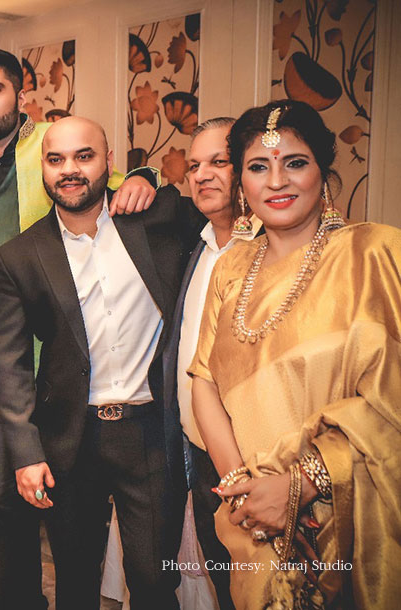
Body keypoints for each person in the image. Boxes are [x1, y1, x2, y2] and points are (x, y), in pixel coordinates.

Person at [0, 46, 160, 608]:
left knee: (16, 493)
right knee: (2, 499)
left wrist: (147, 175)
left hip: (46, 352)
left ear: (20, 94)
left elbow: (112, 178)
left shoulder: (49, 146)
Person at [190, 100, 401, 609]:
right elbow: (204, 382)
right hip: (251, 521)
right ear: (241, 182)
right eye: (258, 167)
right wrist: (243, 491)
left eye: (295, 162)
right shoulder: (230, 269)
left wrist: (303, 482)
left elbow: (392, 404)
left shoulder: (375, 253)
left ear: (323, 172)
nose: (277, 181)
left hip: (348, 513)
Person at [0, 116, 197, 609]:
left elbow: (217, 203)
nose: (70, 169)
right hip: (70, 438)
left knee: (154, 579)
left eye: (83, 156)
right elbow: (10, 364)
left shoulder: (155, 218)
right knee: (75, 579)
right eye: (56, 159)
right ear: (42, 168)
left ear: (108, 161)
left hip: (148, 432)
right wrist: (26, 453)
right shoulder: (21, 256)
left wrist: (147, 177)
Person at [167, 116, 261, 610]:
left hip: (255, 459)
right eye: (194, 165)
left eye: (218, 162)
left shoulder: (270, 251)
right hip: (198, 451)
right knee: (226, 582)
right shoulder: (198, 246)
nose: (202, 175)